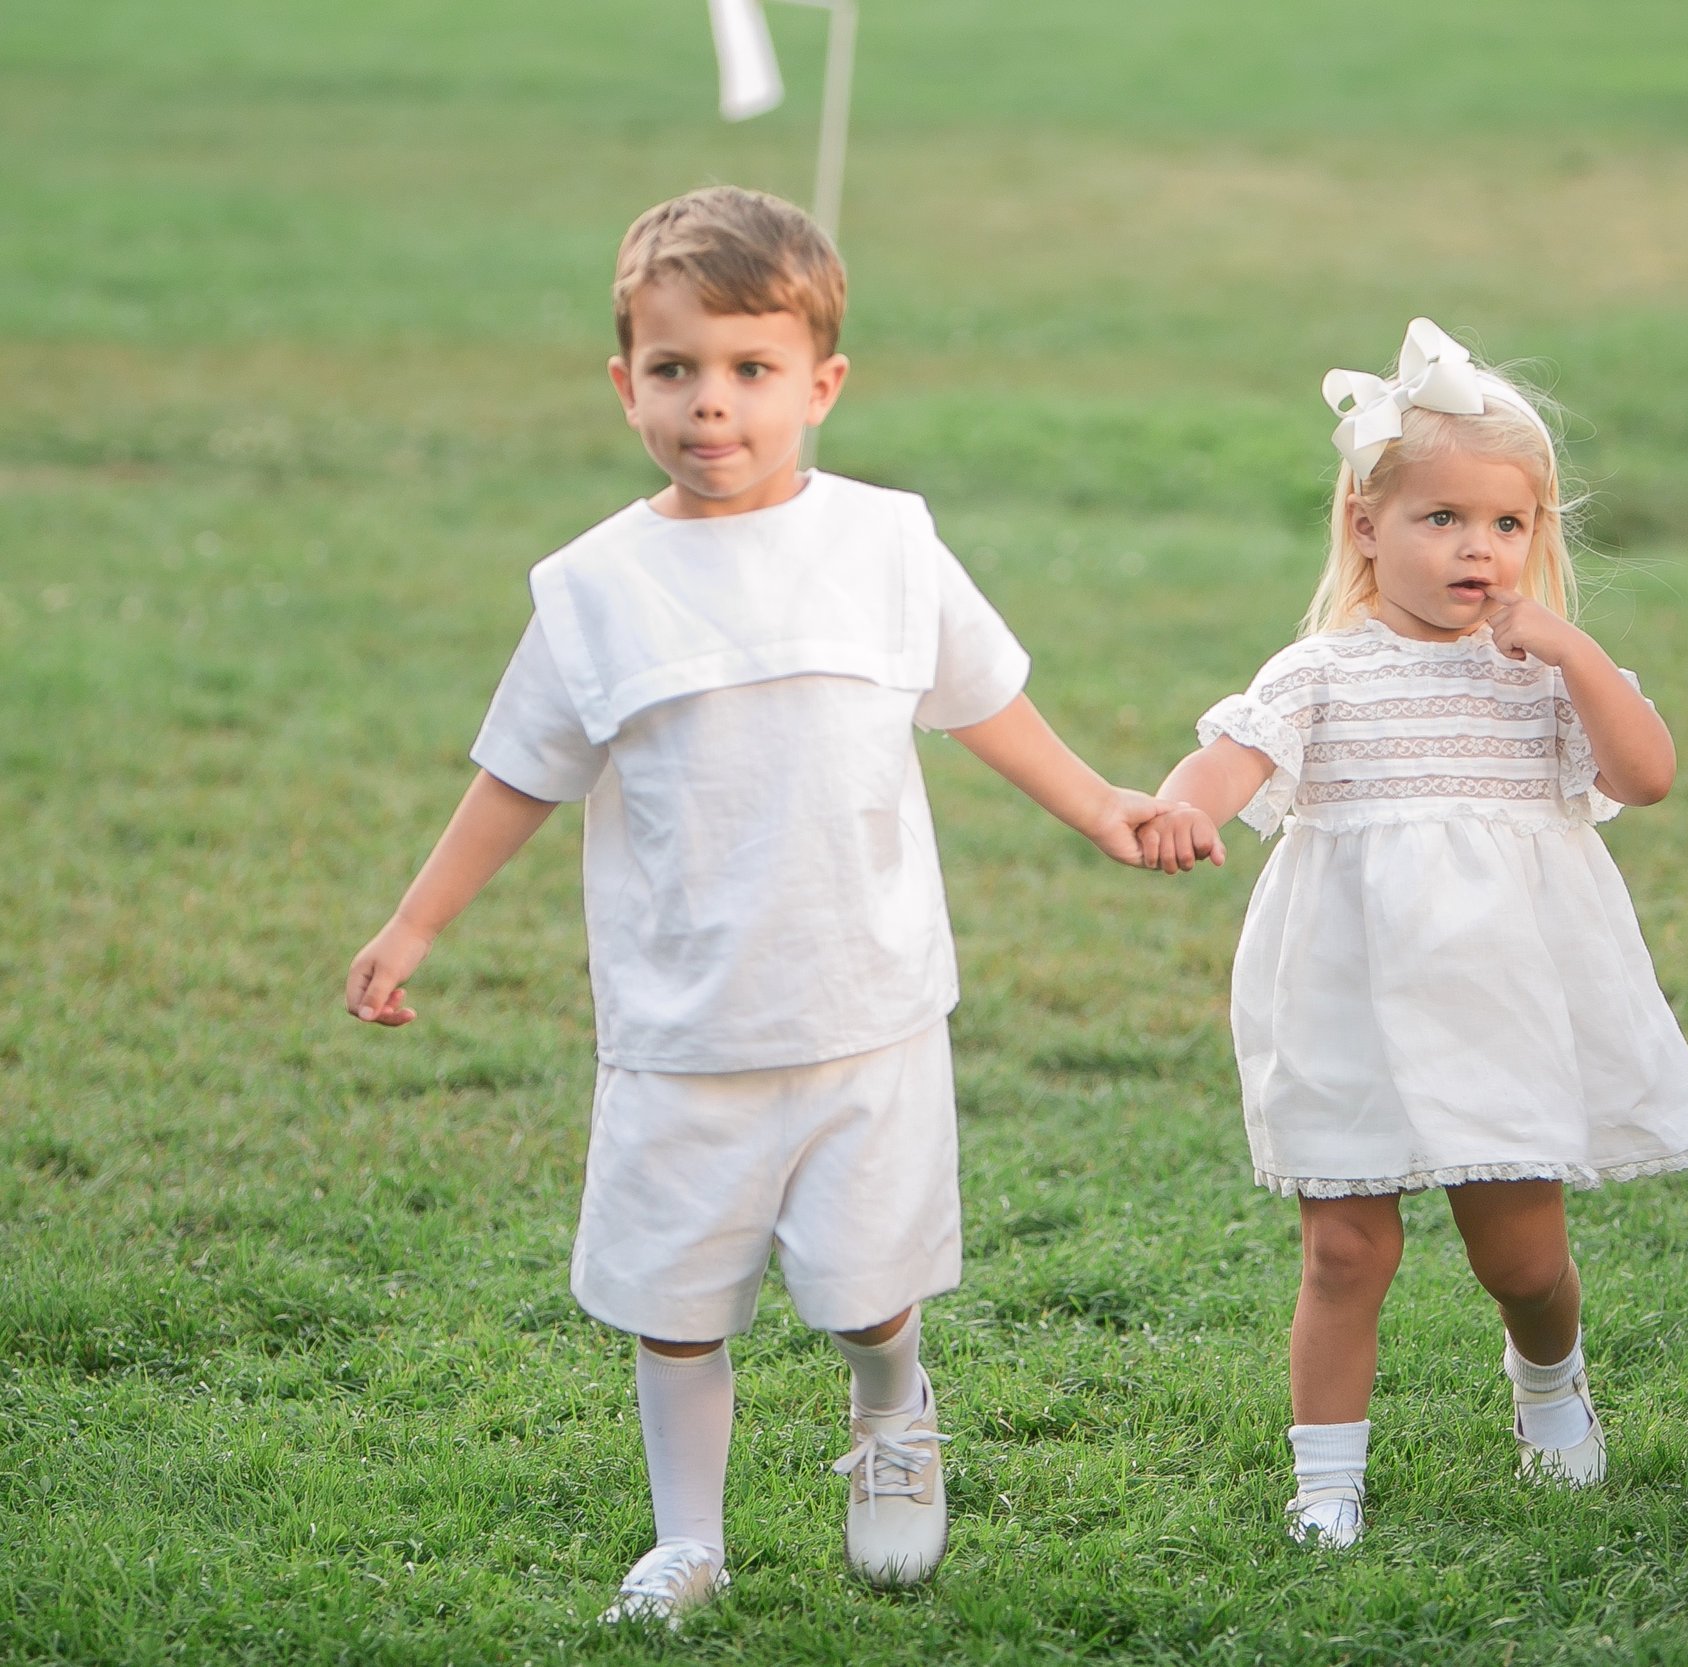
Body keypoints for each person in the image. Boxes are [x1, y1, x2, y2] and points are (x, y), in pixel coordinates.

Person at [342, 186, 1177, 1621]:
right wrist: (415, 923)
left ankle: (894, 1407)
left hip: (864, 1006)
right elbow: (518, 775)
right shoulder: (595, 587)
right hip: (682, 1025)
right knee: (677, 1308)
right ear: (624, 385)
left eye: (748, 370)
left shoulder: (888, 543)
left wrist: (1102, 801)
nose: (709, 405)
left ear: (821, 384)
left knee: (864, 1286)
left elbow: (985, 700)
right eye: (673, 371)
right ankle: (689, 1538)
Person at [1138, 319, 1688, 1548]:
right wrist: (1182, 808)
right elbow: (1230, 754)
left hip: (1498, 997)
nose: (1478, 548)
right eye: (1441, 519)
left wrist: (1571, 647)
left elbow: (1651, 773)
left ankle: (1551, 1382)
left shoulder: (1543, 674)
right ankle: (1325, 1481)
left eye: (1506, 524)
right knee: (1346, 1246)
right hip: (1343, 994)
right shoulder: (1321, 672)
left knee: (1518, 1254)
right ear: (1365, 524)